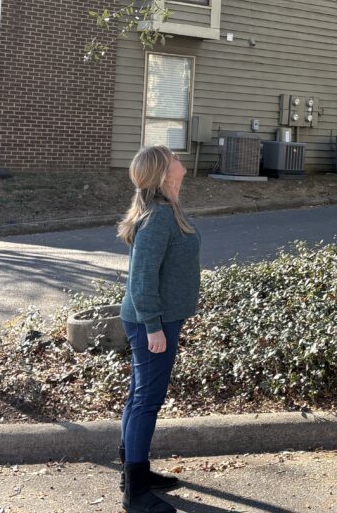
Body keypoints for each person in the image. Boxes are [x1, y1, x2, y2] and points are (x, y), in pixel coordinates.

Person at [117, 145, 201, 513]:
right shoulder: (160, 217)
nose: (183, 164)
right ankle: (136, 495)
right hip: (152, 321)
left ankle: (135, 473)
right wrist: (153, 327)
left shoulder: (165, 209)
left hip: (157, 318)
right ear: (166, 173)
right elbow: (141, 279)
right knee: (146, 402)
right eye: (177, 160)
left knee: (139, 397)